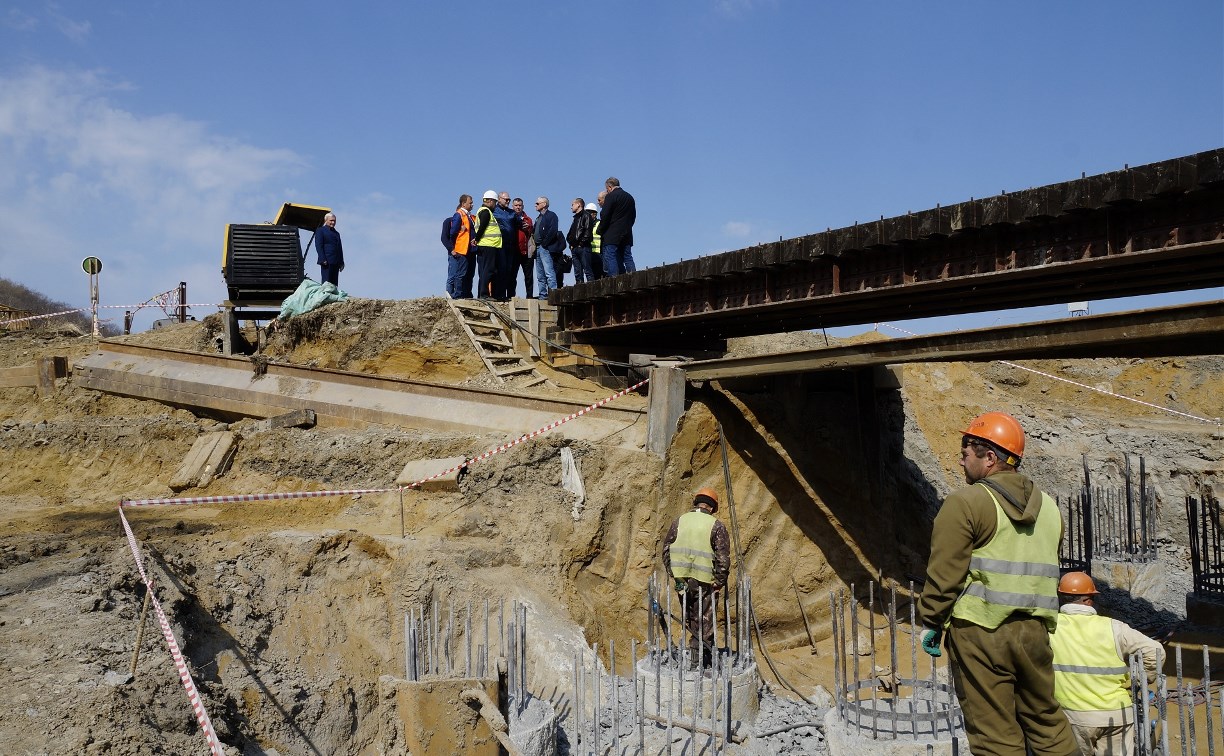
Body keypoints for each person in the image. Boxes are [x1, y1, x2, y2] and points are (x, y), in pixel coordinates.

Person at [918, 411, 1078, 756]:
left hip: (981, 631)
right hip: (1036, 632)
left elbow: (944, 576)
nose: (961, 461)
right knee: (1047, 722)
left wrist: (932, 620)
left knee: (995, 736)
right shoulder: (1050, 507)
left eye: (966, 452)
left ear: (990, 457)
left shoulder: (966, 502)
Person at [1050, 572, 1165, 756]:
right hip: (1116, 715)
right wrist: (1142, 680)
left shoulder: (1050, 627)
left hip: (1072, 716)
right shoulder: (1114, 627)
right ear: (1089, 600)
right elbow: (1155, 651)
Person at [662, 487, 730, 668]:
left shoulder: (680, 521)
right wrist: (719, 581)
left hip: (682, 581)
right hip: (704, 581)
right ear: (712, 507)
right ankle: (698, 662)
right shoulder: (716, 525)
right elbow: (723, 558)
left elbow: (666, 550)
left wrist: (675, 575)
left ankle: (698, 657)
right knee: (704, 622)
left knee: (690, 617)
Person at [596, 177, 636, 276]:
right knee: (627, 256)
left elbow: (605, 215)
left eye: (607, 189)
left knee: (611, 255)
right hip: (627, 231)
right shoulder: (630, 197)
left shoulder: (610, 196)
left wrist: (600, 229)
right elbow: (633, 215)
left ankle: (614, 279)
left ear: (609, 187)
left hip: (612, 232)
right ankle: (634, 277)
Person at [445, 195, 476, 299]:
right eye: (470, 203)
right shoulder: (459, 215)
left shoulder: (471, 217)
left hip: (470, 250)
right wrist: (453, 248)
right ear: (463, 204)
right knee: (461, 274)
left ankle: (467, 294)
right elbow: (452, 233)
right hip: (462, 249)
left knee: (469, 274)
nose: (472, 204)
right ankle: (458, 295)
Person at [473, 190, 502, 299]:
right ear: (489, 201)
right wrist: (476, 238)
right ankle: (484, 294)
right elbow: (483, 227)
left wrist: (477, 239)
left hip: (485, 245)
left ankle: (482, 294)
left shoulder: (482, 211)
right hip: (489, 245)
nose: (495, 205)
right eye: (494, 202)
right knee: (488, 270)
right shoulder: (486, 212)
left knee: (484, 270)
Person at [492, 191, 520, 300]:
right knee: (499, 270)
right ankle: (496, 294)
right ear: (499, 199)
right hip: (499, 244)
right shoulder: (494, 210)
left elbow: (519, 222)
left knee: (508, 270)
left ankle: (506, 295)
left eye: (509, 199)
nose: (508, 201)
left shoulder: (512, 213)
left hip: (511, 245)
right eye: (505, 199)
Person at [532, 197, 561, 300]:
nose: (535, 205)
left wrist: (545, 244)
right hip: (538, 248)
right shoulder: (538, 217)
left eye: (537, 203)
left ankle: (553, 295)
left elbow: (553, 230)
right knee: (540, 275)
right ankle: (542, 295)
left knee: (549, 272)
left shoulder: (551, 216)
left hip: (545, 248)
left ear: (544, 204)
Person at [566, 197, 594, 284]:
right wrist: (571, 244)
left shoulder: (586, 215)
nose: (571, 207)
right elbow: (571, 233)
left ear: (578, 205)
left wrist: (581, 243)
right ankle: (580, 291)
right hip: (575, 248)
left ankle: (591, 291)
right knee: (578, 273)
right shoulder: (575, 218)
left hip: (583, 247)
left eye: (572, 204)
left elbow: (587, 231)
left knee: (587, 270)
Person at [512, 198, 535, 298]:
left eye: (520, 205)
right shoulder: (510, 218)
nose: (518, 207)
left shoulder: (528, 219)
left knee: (529, 276)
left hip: (526, 252)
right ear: (513, 207)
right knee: (512, 276)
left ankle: (529, 296)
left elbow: (531, 233)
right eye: (516, 205)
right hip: (514, 252)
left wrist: (527, 228)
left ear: (523, 206)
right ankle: (511, 295)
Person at [315, 212, 345, 286]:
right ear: (326, 220)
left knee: (334, 284)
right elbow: (319, 246)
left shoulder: (336, 233)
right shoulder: (320, 230)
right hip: (326, 261)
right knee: (326, 283)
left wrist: (341, 262)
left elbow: (339, 248)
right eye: (331, 220)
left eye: (334, 221)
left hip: (336, 262)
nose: (333, 222)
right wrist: (322, 259)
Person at [586, 202, 604, 279]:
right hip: (588, 253)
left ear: (594, 214)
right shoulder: (585, 225)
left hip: (598, 254)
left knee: (598, 275)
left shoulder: (599, 224)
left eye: (588, 213)